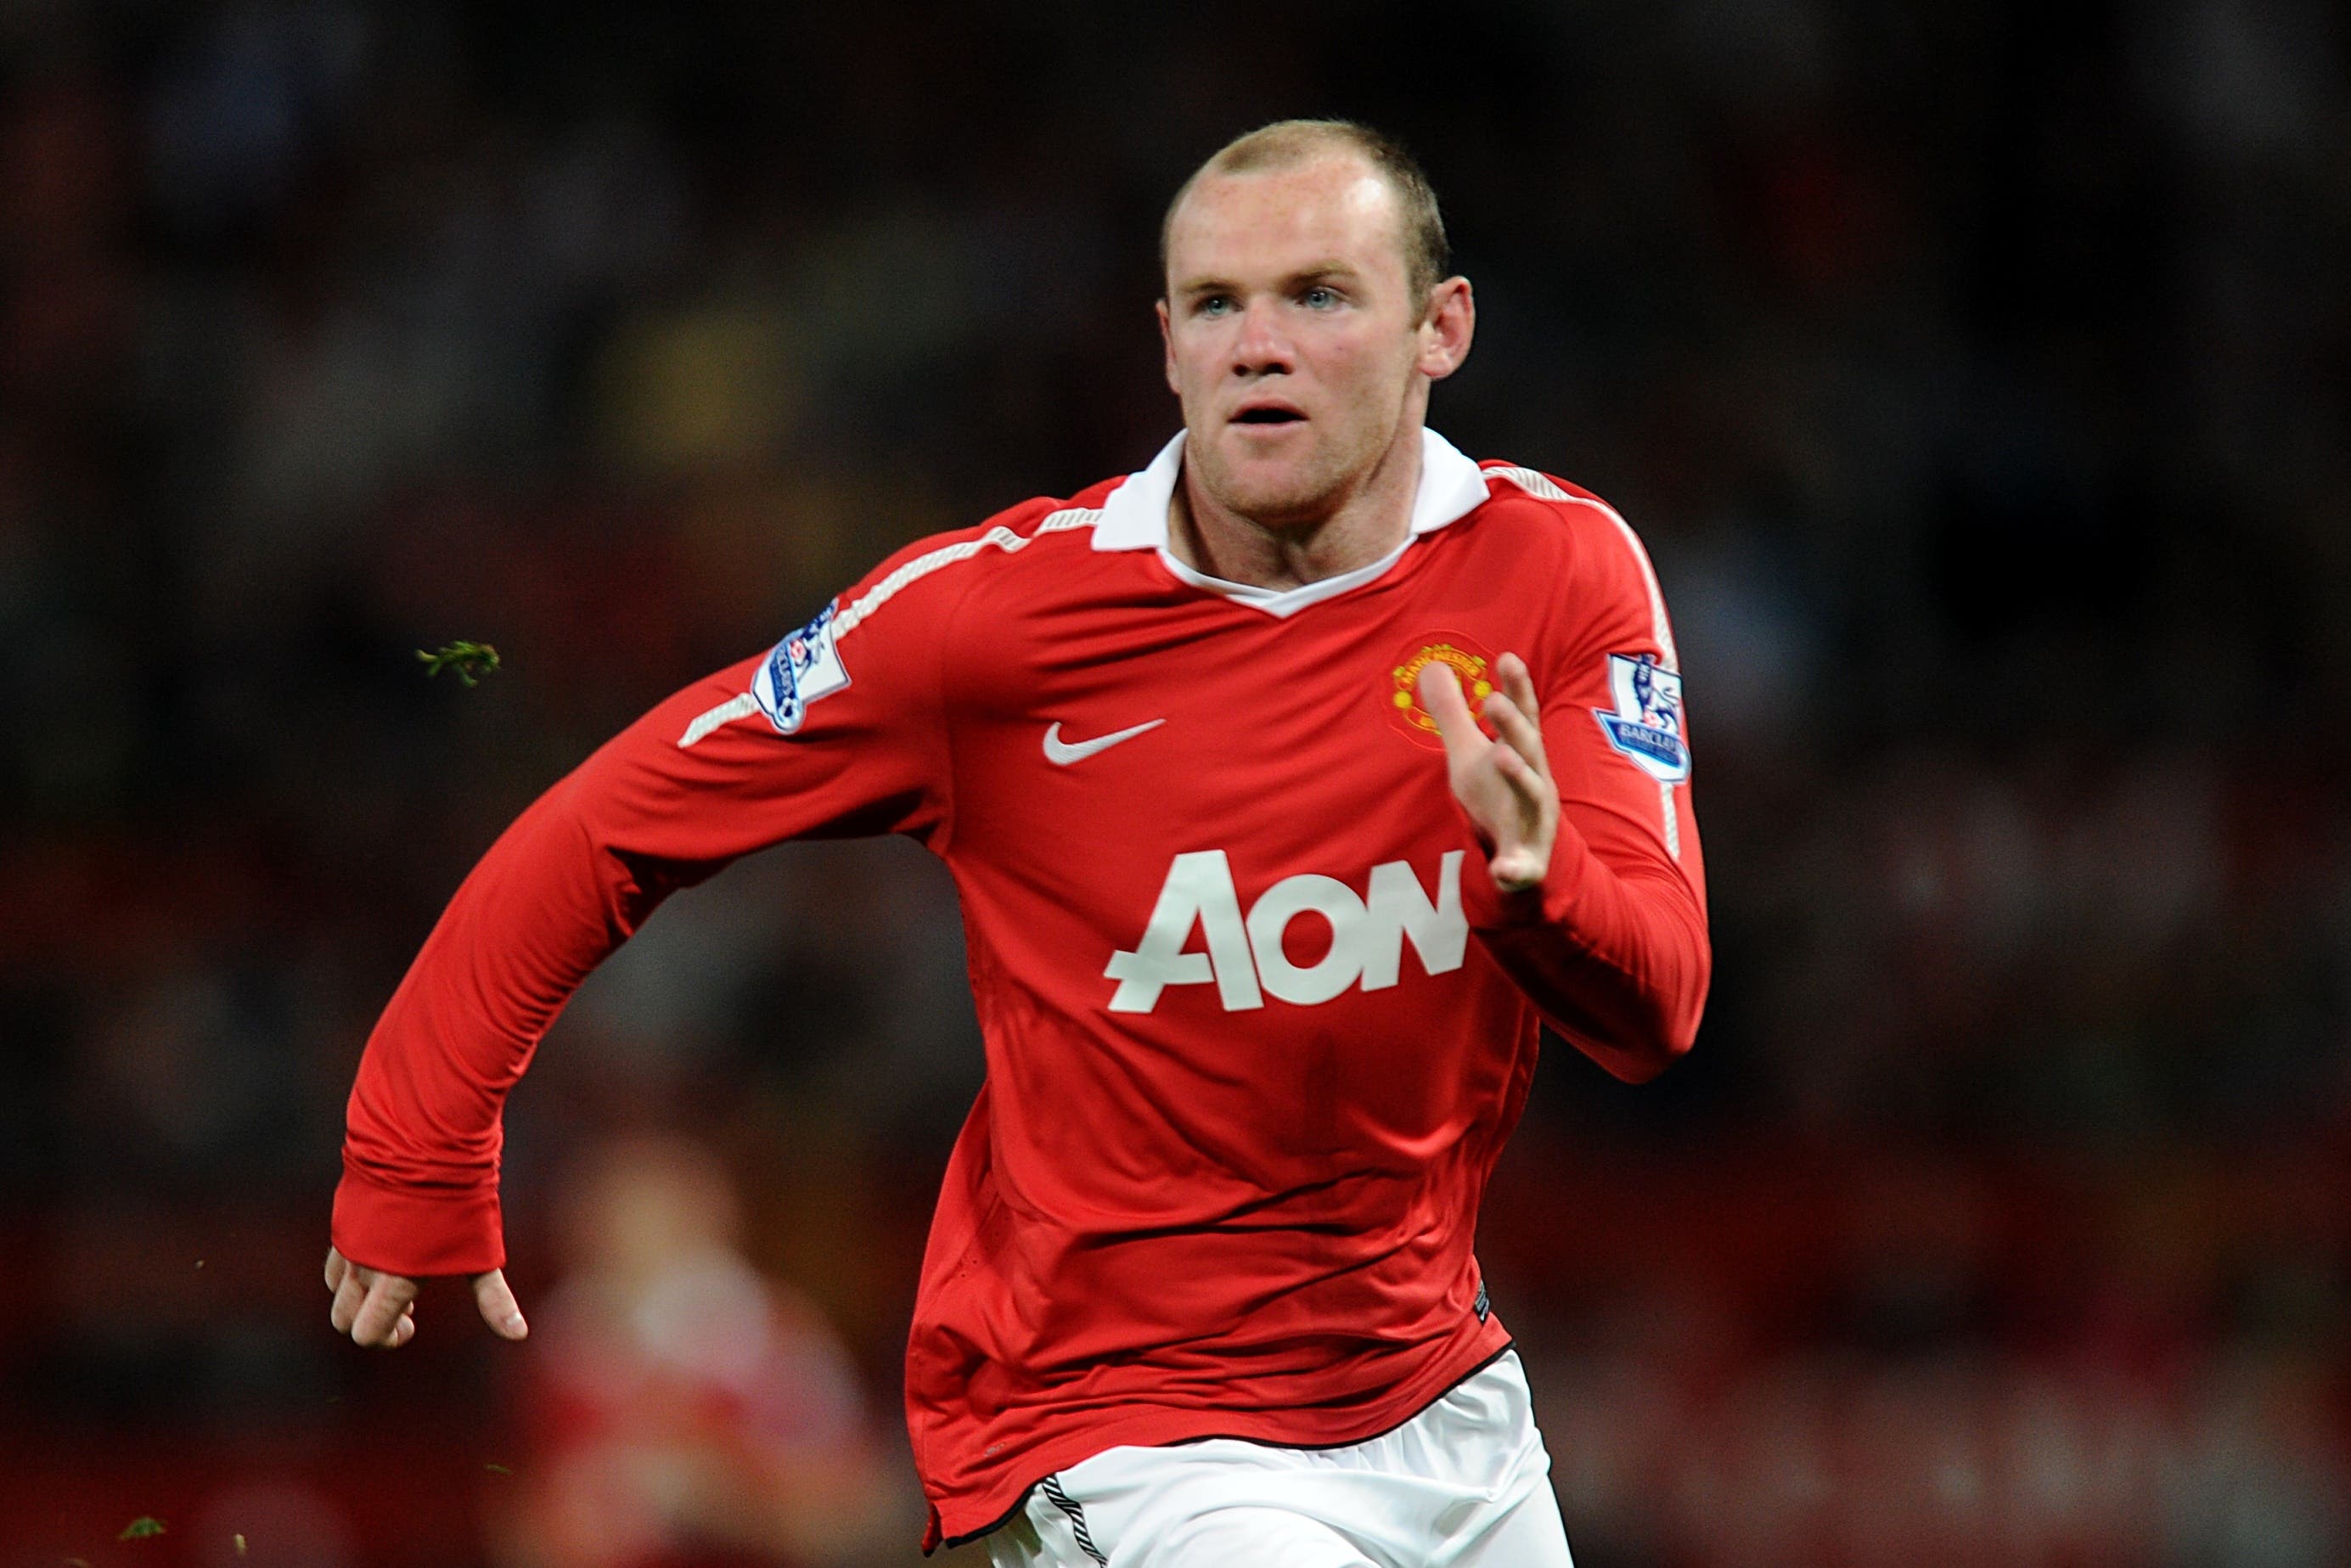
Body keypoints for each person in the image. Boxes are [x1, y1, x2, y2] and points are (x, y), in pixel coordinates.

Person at [324, 119, 1710, 1566]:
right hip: (1117, 1427)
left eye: (1318, 295)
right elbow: (620, 814)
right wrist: (416, 1139)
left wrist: (1540, 891)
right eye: (1218, 305)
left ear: (1441, 330)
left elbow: (1656, 1008)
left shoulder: (1556, 570)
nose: (1259, 343)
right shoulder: (993, 623)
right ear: (1166, 345)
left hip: (1440, 1397)